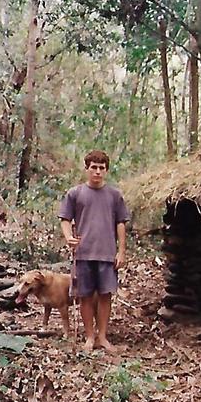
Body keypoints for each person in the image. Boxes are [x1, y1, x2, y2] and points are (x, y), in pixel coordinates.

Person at [59, 150, 130, 353]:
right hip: (83, 254)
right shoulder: (75, 193)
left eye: (101, 168)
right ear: (87, 169)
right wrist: (68, 238)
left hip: (107, 254)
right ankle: (89, 337)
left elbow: (121, 223)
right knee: (85, 296)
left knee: (106, 295)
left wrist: (121, 251)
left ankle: (102, 337)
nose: (97, 172)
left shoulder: (115, 195)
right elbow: (65, 219)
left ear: (106, 170)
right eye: (94, 167)